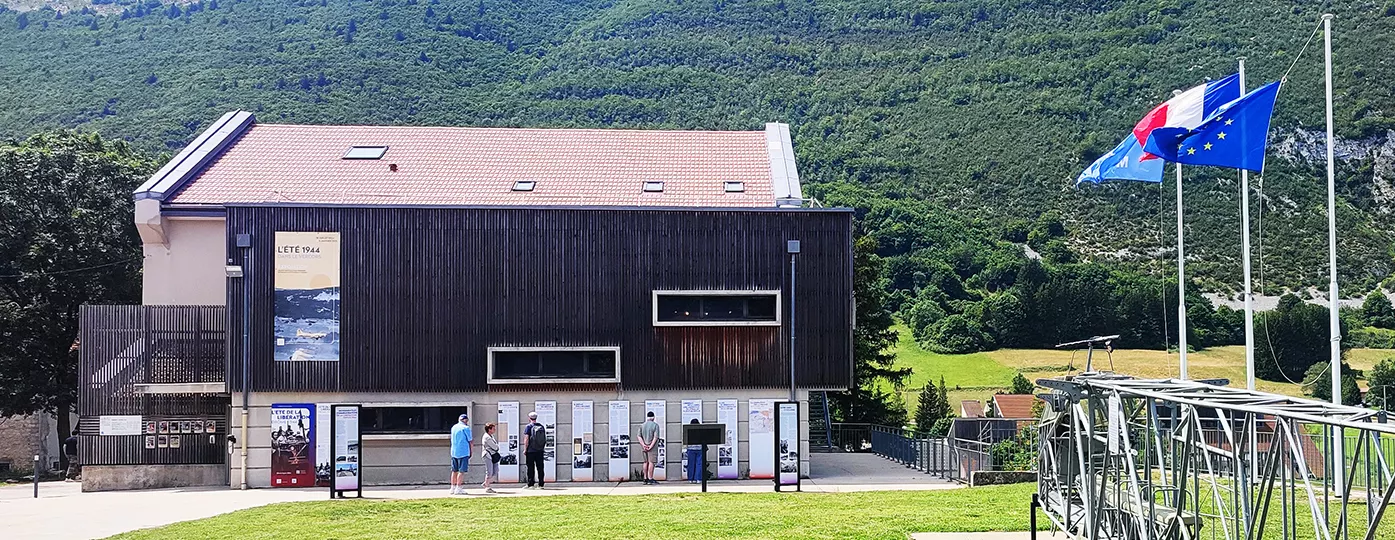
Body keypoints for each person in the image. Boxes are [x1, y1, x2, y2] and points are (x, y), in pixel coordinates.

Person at [449, 413, 472, 495]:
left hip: (454, 451)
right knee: (461, 471)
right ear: (465, 420)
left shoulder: (454, 427)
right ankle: (459, 488)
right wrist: (471, 451)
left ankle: (452, 487)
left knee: (454, 470)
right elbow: (470, 441)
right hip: (463, 451)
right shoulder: (466, 428)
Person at [522, 411, 546, 489]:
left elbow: (526, 439)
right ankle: (541, 484)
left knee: (530, 467)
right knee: (540, 467)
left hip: (531, 451)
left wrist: (525, 449)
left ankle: (531, 484)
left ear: (529, 418)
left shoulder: (528, 427)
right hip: (540, 450)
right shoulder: (541, 426)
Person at [640, 411, 660, 485]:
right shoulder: (655, 425)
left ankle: (645, 478)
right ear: (653, 417)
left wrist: (643, 445)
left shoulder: (642, 425)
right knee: (651, 462)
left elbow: (639, 436)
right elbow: (655, 437)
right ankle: (650, 478)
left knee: (645, 462)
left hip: (644, 447)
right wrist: (650, 446)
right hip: (652, 447)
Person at [481, 422, 500, 494]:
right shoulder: (487, 437)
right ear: (489, 429)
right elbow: (495, 447)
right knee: (489, 471)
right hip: (488, 455)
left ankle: (486, 483)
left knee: (495, 470)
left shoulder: (491, 436)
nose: (494, 430)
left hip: (493, 455)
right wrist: (497, 447)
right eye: (493, 428)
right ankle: (487, 487)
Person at [686, 419, 702, 484]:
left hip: (690, 449)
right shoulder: (701, 431)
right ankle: (698, 478)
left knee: (691, 464)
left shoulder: (688, 430)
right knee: (699, 464)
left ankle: (690, 479)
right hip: (700, 448)